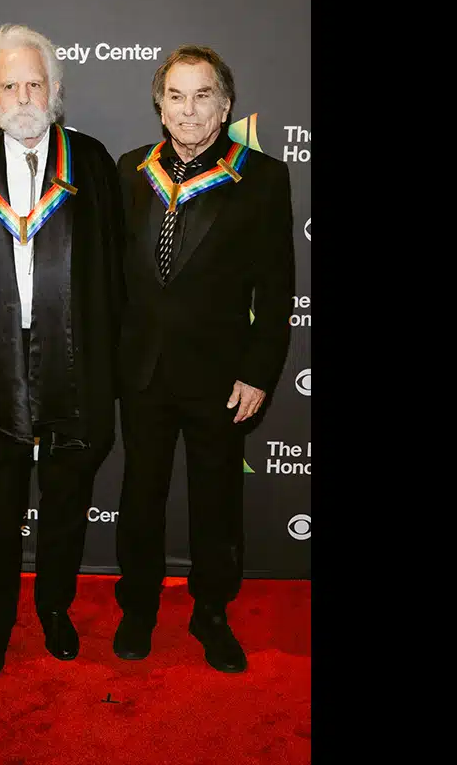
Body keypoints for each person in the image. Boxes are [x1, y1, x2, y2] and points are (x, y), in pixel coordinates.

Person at [0, 24, 126, 679]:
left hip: (74, 358)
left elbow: (115, 275)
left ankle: (54, 608)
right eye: (9, 85)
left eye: (35, 83)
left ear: (55, 89)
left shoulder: (92, 162)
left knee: (68, 496)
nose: (23, 97)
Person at [111, 45, 295, 673]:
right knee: (140, 495)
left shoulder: (261, 177)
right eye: (176, 96)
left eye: (202, 96)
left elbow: (277, 290)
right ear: (160, 105)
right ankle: (138, 606)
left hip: (221, 377)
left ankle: (211, 612)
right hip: (142, 371)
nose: (188, 110)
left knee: (216, 502)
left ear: (225, 104)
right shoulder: (130, 170)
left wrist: (259, 371)